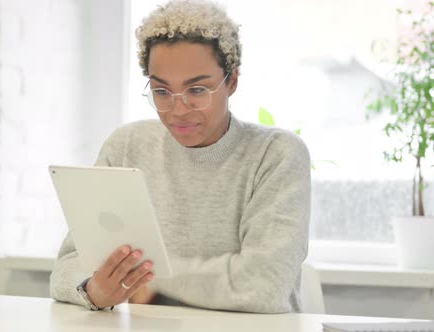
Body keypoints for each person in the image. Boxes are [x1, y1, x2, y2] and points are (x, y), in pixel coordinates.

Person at [50, 0, 311, 313]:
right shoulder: (127, 146)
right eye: (161, 91)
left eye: (198, 90)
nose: (178, 109)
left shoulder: (276, 155)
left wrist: (147, 279)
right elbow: (67, 267)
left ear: (232, 82)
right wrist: (93, 290)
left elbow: (263, 286)